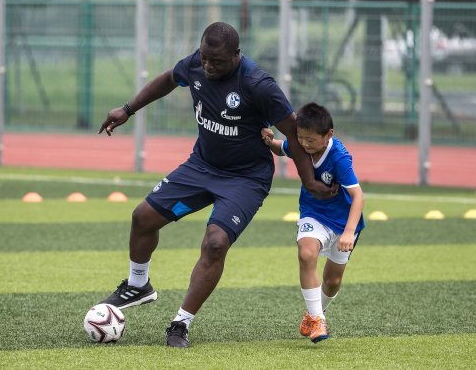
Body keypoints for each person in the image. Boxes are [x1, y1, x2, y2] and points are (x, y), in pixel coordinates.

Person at [97, 22, 336, 348]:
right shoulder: (196, 63)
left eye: (218, 61)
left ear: (237, 55)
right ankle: (139, 285)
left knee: (215, 242)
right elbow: (168, 79)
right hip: (202, 166)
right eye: (205, 59)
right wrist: (127, 109)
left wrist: (308, 179)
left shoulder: (258, 84)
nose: (208, 66)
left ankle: (181, 323)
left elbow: (293, 130)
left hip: (246, 179)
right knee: (142, 217)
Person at [261, 102, 365, 343]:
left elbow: (357, 196)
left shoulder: (339, 157)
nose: (304, 144)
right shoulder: (300, 144)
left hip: (343, 223)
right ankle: (318, 320)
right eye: (300, 138)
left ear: (328, 134)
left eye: (310, 140)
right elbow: (282, 147)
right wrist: (269, 141)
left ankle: (313, 314)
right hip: (313, 213)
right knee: (306, 253)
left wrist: (349, 232)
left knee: (333, 281)